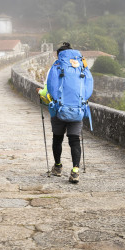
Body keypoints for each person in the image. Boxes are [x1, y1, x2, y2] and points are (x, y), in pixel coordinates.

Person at [38, 42, 84, 183]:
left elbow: (49, 91)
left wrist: (40, 92)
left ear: (59, 55)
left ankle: (58, 167)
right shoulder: (80, 67)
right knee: (74, 139)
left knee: (57, 139)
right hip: (77, 110)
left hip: (58, 110)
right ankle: (75, 170)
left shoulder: (55, 67)